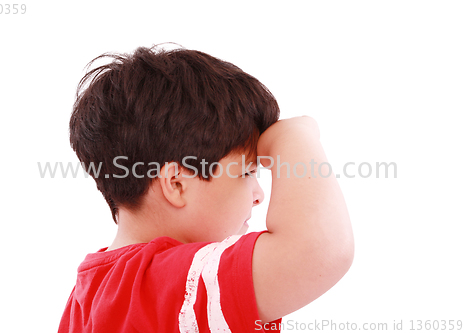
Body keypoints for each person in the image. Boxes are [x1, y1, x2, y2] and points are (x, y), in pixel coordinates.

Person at [58, 45, 354, 333]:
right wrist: (294, 137)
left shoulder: (88, 298)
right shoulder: (164, 283)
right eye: (247, 171)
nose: (258, 195)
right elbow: (318, 251)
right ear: (176, 184)